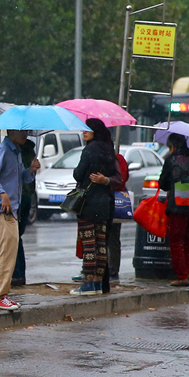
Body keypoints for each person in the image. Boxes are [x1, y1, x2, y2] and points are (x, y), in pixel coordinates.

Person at [0, 130, 40, 310]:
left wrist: (30, 171)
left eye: (26, 132)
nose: (25, 135)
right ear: (11, 132)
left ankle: (3, 294)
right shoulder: (2, 150)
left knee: (9, 253)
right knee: (4, 252)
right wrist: (2, 194)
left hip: (12, 210)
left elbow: (19, 179)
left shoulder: (16, 152)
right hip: (0, 209)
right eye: (21, 132)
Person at [71, 119, 121, 296]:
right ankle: (98, 284)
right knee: (100, 244)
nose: (83, 132)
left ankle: (87, 285)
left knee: (89, 243)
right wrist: (105, 180)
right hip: (105, 204)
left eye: (87, 129)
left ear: (95, 131)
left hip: (88, 203)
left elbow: (78, 174)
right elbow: (118, 177)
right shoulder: (109, 150)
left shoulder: (89, 150)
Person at [158, 132, 189, 286]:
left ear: (172, 146)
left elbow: (163, 184)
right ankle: (188, 272)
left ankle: (182, 276)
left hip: (180, 205)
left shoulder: (171, 160)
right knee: (188, 239)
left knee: (176, 240)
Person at [11, 137, 37, 286]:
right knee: (17, 236)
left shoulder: (17, 152)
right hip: (27, 196)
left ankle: (16, 275)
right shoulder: (30, 150)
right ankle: (18, 275)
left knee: (13, 237)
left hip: (19, 197)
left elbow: (18, 176)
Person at [106, 151, 129, 288]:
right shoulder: (118, 158)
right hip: (111, 199)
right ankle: (111, 270)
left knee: (112, 237)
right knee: (113, 238)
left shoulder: (117, 159)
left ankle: (112, 270)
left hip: (113, 200)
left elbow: (122, 178)